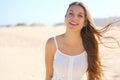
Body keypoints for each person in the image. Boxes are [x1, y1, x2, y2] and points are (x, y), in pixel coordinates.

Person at [45, 1, 119, 80]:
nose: (74, 18)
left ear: (85, 22)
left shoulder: (90, 45)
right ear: (65, 17)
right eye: (71, 14)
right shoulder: (52, 43)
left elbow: (92, 76)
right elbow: (49, 75)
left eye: (80, 15)